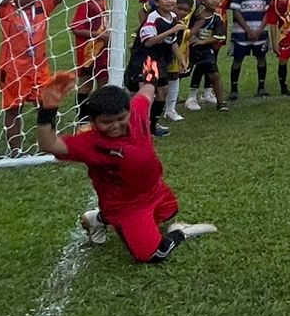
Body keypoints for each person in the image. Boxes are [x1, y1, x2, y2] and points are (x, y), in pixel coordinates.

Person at [33, 73, 216, 263]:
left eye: (121, 118)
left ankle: (97, 219)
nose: (115, 125)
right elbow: (49, 144)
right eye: (106, 122)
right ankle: (179, 232)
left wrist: (151, 76)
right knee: (152, 255)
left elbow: (146, 92)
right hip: (126, 207)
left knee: (169, 212)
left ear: (129, 110)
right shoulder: (91, 143)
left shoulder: (137, 110)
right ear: (93, 122)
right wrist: (48, 109)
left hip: (155, 190)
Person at [0, 0, 64, 157]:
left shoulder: (42, 6)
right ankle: (15, 151)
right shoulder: (6, 10)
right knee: (13, 110)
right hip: (13, 70)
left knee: (46, 106)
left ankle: (48, 144)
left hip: (39, 68)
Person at [127, 0, 184, 137]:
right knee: (148, 93)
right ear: (157, 2)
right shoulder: (153, 18)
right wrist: (171, 30)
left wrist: (181, 59)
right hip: (146, 59)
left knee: (163, 92)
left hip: (159, 60)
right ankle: (139, 125)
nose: (170, 1)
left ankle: (151, 125)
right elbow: (149, 42)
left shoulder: (172, 17)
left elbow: (172, 42)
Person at [226, 0, 273, 100]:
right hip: (241, 32)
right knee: (238, 59)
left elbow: (268, 13)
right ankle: (234, 89)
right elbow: (236, 11)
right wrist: (247, 29)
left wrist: (259, 30)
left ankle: (261, 87)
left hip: (260, 32)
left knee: (261, 58)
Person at [70, 0, 111, 124]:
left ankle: (101, 113)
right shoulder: (85, 5)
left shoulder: (104, 2)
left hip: (104, 50)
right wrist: (100, 35)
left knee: (104, 81)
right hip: (88, 51)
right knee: (86, 83)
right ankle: (82, 117)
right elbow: (76, 28)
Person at [160, 0, 198, 122]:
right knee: (158, 76)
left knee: (175, 75)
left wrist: (191, 32)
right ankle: (156, 106)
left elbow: (202, 16)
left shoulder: (195, 1)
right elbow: (145, 9)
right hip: (161, 43)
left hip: (179, 44)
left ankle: (171, 109)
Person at [184, 0, 228, 112]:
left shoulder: (217, 18)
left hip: (206, 50)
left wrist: (202, 42)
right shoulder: (194, 16)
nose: (214, 1)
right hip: (189, 49)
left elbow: (219, 36)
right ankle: (182, 99)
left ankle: (221, 103)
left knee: (215, 75)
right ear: (203, 0)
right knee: (181, 73)